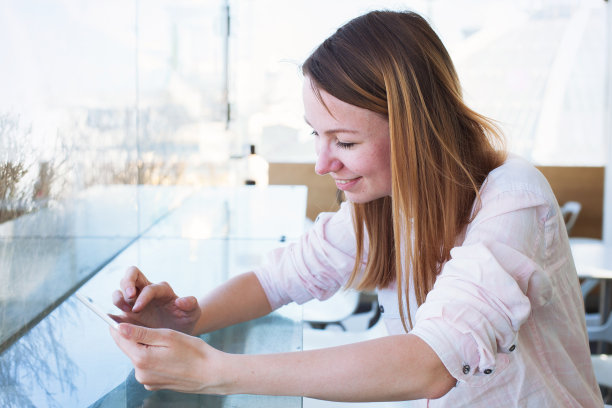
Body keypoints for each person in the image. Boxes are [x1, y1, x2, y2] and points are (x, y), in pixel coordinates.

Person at [109, 10, 603, 406]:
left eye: (343, 141)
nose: (322, 163)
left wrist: (216, 373)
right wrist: (188, 321)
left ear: (416, 131)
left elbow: (430, 364)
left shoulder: (511, 200)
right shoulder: (387, 205)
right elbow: (277, 279)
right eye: (316, 135)